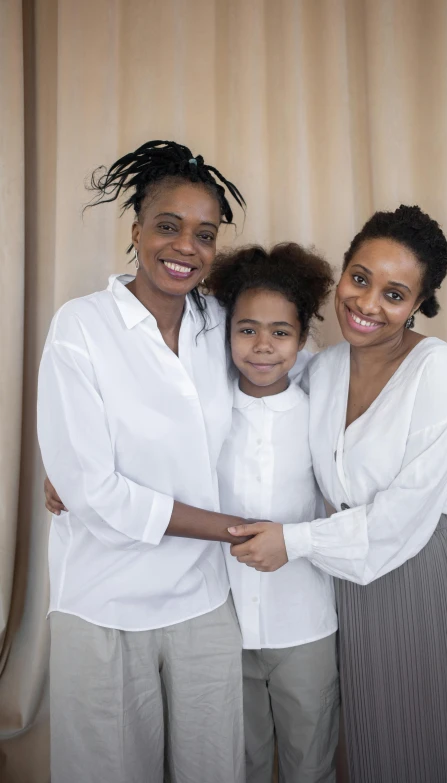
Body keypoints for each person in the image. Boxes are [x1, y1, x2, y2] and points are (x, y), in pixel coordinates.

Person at [229, 205, 447, 783]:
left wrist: (292, 542)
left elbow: (405, 512)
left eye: (395, 295)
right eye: (360, 278)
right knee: (374, 738)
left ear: (420, 305)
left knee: (432, 737)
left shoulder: (434, 368)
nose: (368, 303)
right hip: (351, 570)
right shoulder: (320, 368)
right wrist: (96, 467)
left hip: (426, 564)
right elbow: (245, 385)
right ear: (343, 271)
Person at [37, 140, 253, 783]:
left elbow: (299, 392)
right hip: (103, 601)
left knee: (214, 769)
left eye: (204, 234)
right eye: (168, 226)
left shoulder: (222, 324)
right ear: (135, 231)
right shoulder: (81, 327)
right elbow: (94, 492)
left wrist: (422, 394)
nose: (186, 247)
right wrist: (230, 528)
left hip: (202, 599)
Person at [205, 243, 339, 782]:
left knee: (311, 762)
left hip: (304, 622)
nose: (263, 346)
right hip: (223, 621)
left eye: (281, 333)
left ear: (302, 338)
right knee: (243, 762)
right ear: (227, 331)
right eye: (247, 330)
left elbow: (380, 467)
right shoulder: (207, 409)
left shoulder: (320, 411)